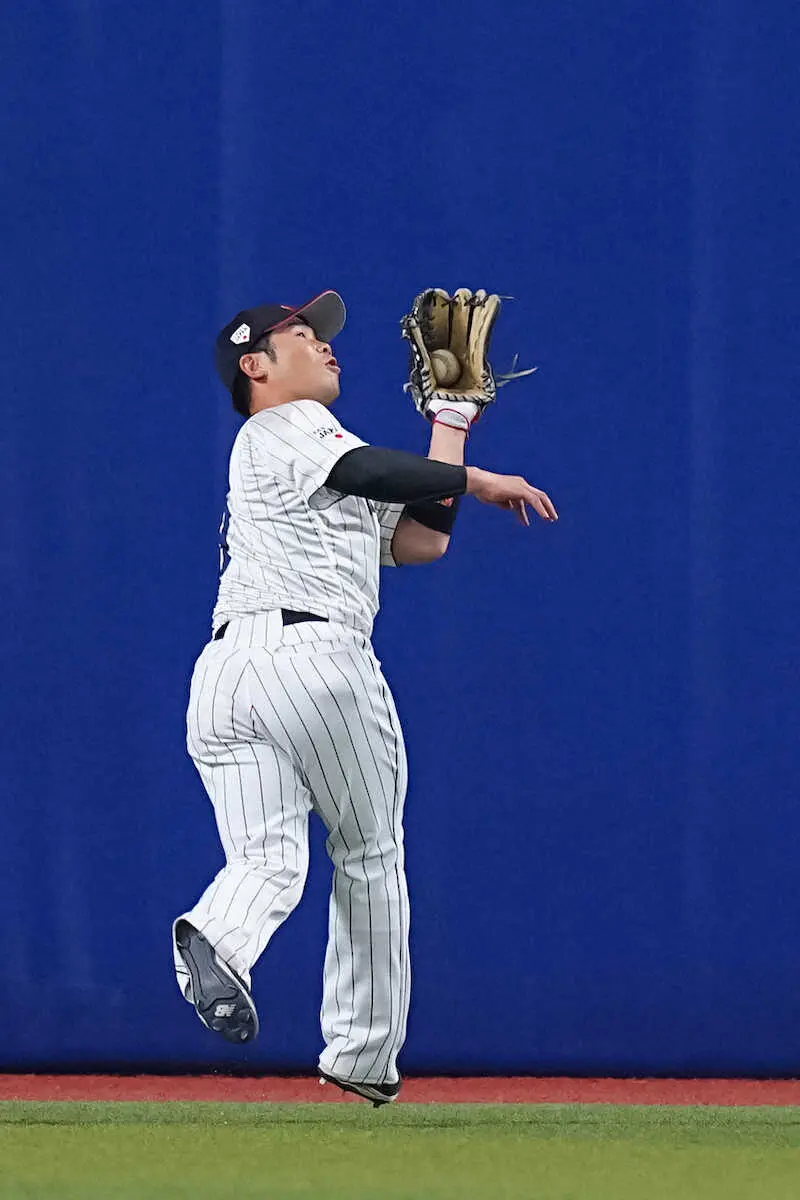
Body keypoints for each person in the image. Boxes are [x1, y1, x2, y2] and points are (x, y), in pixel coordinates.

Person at [172, 290, 557, 1106]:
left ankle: (216, 939)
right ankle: (361, 1058)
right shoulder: (288, 428)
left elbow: (421, 539)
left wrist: (450, 420)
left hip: (225, 676)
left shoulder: (301, 461)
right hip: (314, 660)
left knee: (267, 861)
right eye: (302, 335)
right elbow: (366, 468)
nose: (325, 345)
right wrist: (476, 473)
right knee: (370, 854)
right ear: (255, 366)